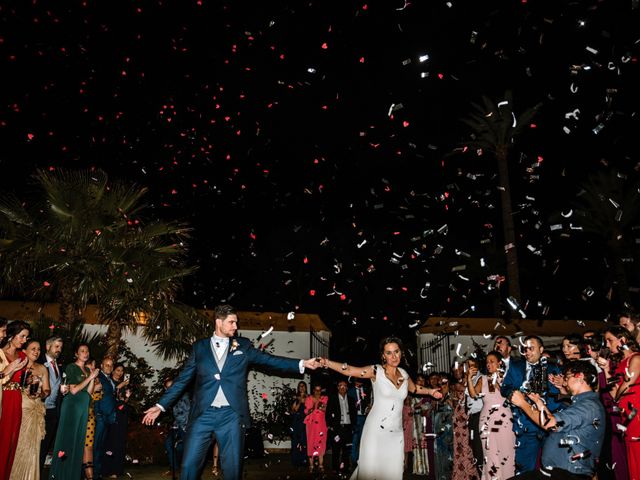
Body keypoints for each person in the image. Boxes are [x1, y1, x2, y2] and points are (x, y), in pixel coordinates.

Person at [141, 304, 320, 480]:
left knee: (233, 469)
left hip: (231, 416)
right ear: (219, 322)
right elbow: (182, 380)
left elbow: (270, 360)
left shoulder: (243, 346)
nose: (236, 326)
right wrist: (160, 405)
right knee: (189, 465)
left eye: (236, 322)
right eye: (232, 322)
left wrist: (302, 364)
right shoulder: (199, 347)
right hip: (203, 415)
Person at [320, 336, 442, 480]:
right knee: (369, 473)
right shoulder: (376, 371)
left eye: (396, 351)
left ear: (401, 353)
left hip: (396, 434)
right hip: (375, 432)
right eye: (389, 353)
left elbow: (415, 388)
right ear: (383, 355)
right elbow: (350, 370)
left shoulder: (403, 374)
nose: (394, 356)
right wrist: (327, 363)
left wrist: (430, 391)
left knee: (394, 473)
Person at [508, 360, 605, 480]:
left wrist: (522, 403)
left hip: (568, 474)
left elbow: (550, 424)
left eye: (567, 377)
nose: (564, 382)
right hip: (557, 473)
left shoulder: (588, 406)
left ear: (580, 377)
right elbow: (557, 423)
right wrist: (539, 404)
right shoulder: (583, 404)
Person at [48, 343, 100, 480]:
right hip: (72, 406)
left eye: (87, 351)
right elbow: (74, 390)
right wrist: (90, 378)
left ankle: (72, 475)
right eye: (82, 351)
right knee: (68, 440)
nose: (85, 353)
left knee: (79, 440)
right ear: (76, 354)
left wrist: (92, 379)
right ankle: (60, 474)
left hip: (83, 406)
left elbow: (88, 393)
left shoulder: (88, 371)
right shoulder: (71, 367)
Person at [600, 326, 640, 480]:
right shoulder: (618, 365)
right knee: (632, 459)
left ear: (622, 340)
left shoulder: (636, 358)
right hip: (627, 419)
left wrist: (617, 391)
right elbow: (613, 394)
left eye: (610, 340)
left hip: (636, 415)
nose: (607, 345)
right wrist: (605, 369)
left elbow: (625, 387)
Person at [468, 350, 515, 479]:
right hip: (486, 419)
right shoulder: (482, 379)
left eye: (492, 362)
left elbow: (511, 396)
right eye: (487, 362)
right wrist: (469, 378)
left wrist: (498, 380)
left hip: (504, 418)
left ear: (500, 363)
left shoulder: (507, 377)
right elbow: (473, 394)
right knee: (490, 453)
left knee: (506, 451)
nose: (489, 364)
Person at [10, 339, 50, 480]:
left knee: (34, 447)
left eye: (38, 349)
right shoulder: (19, 366)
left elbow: (47, 390)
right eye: (33, 348)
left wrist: (42, 393)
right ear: (24, 351)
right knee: (18, 444)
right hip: (21, 407)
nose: (36, 351)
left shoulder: (43, 368)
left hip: (36, 408)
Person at [0, 320, 31, 480]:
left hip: (16, 399)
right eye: (22, 336)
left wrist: (30, 381)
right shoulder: (0, 353)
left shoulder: (23, 356)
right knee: (2, 439)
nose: (25, 340)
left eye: (26, 337)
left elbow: (23, 380)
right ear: (11, 335)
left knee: (12, 440)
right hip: (2, 399)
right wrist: (13, 370)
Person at [102, 363, 131, 478]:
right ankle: (107, 469)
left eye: (122, 371)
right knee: (110, 441)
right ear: (113, 371)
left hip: (122, 414)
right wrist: (122, 384)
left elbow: (122, 401)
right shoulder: (110, 382)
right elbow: (112, 393)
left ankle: (117, 470)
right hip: (111, 414)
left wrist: (127, 397)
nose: (120, 373)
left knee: (120, 442)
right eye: (118, 370)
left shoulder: (123, 385)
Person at [451, 363, 479, 480]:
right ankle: (460, 475)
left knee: (469, 447)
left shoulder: (470, 381)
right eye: (455, 370)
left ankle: (470, 474)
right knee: (459, 447)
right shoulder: (454, 385)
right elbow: (454, 402)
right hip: (458, 419)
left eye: (459, 369)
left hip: (468, 418)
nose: (457, 371)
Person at [39, 336, 64, 471]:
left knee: (45, 445)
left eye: (60, 347)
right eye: (56, 347)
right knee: (37, 444)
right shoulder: (39, 362)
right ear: (48, 347)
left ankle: (38, 472)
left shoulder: (59, 365)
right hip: (40, 408)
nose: (59, 350)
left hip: (53, 410)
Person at [327, 379, 356, 476]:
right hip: (337, 428)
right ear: (337, 387)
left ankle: (345, 468)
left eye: (344, 385)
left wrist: (353, 427)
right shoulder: (333, 398)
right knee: (336, 449)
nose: (342, 387)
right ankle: (335, 468)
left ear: (347, 388)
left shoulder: (351, 399)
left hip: (348, 428)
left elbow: (354, 414)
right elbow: (328, 414)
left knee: (346, 450)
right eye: (340, 385)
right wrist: (331, 426)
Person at [162, 378, 191, 477]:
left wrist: (184, 427)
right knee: (169, 443)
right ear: (165, 389)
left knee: (183, 448)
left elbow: (186, 412)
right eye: (169, 387)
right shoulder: (170, 397)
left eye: (173, 386)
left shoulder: (182, 395)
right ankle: (174, 468)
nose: (171, 388)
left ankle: (187, 469)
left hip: (185, 426)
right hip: (177, 425)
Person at [93, 356, 116, 480]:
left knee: (101, 447)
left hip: (107, 417)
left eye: (111, 365)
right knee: (95, 446)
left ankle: (98, 472)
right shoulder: (99, 377)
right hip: (100, 416)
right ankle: (93, 474)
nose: (109, 367)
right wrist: (98, 414)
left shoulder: (109, 379)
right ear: (101, 366)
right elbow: (95, 396)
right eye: (106, 365)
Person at [83, 358, 103, 480]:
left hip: (90, 417)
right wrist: (93, 389)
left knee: (88, 446)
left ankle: (90, 477)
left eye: (94, 365)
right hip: (80, 415)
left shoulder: (96, 379)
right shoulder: (82, 377)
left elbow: (97, 398)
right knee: (80, 447)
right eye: (91, 364)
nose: (93, 367)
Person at [409, 374, 431, 476]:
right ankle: (418, 468)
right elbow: (409, 409)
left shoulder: (428, 393)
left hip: (425, 421)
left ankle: (428, 468)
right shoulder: (412, 394)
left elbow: (429, 406)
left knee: (426, 443)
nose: (421, 382)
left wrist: (422, 406)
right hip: (415, 421)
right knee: (417, 444)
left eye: (423, 380)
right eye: (418, 380)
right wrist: (418, 406)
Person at [464, 358, 484, 475]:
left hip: (479, 415)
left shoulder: (480, 378)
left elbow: (474, 395)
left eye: (472, 365)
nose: (470, 368)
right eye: (468, 366)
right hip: (471, 416)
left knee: (479, 448)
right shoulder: (468, 379)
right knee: (474, 448)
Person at [304, 384, 328, 473]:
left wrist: (320, 406)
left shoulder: (324, 398)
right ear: (313, 390)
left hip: (321, 425)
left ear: (321, 390)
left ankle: (321, 465)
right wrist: (313, 408)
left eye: (319, 390)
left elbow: (325, 409)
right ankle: (311, 465)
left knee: (321, 443)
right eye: (316, 390)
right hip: (311, 425)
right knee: (311, 443)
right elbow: (306, 411)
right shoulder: (309, 398)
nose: (317, 392)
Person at [348, 379, 371, 467]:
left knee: (363, 439)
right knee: (355, 439)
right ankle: (354, 460)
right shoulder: (350, 391)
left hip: (364, 417)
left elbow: (368, 402)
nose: (359, 382)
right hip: (355, 417)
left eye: (360, 380)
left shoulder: (366, 390)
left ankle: (361, 460)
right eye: (357, 380)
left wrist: (368, 407)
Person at [290, 381, 308, 468]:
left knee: (305, 441)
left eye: (303, 386)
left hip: (306, 421)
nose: (302, 388)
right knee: (296, 441)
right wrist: (300, 401)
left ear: (305, 387)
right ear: (298, 388)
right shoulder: (295, 398)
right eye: (300, 386)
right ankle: (296, 461)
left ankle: (304, 460)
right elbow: (293, 410)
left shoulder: (309, 397)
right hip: (297, 422)